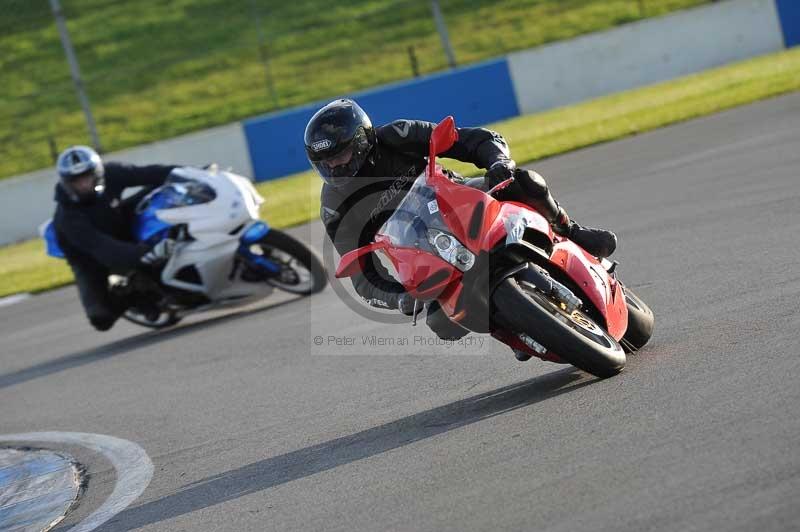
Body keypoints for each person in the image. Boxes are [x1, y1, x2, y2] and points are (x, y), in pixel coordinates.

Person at [306, 99, 617, 353]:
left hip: (459, 198)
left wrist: (498, 163)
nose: (335, 167)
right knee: (442, 323)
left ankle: (571, 229)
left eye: (342, 155)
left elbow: (472, 140)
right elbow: (362, 275)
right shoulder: (334, 206)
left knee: (525, 183)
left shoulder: (397, 135)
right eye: (326, 163)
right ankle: (516, 326)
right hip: (417, 251)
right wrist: (397, 296)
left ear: (363, 140)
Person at [52, 145, 177, 331]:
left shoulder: (113, 173)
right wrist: (147, 252)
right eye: (76, 181)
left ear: (97, 173)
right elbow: (104, 249)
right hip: (90, 256)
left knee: (158, 190)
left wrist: (194, 173)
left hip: (117, 221)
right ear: (66, 183)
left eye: (87, 177)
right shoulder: (67, 217)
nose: (83, 185)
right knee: (101, 318)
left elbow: (150, 173)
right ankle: (131, 295)